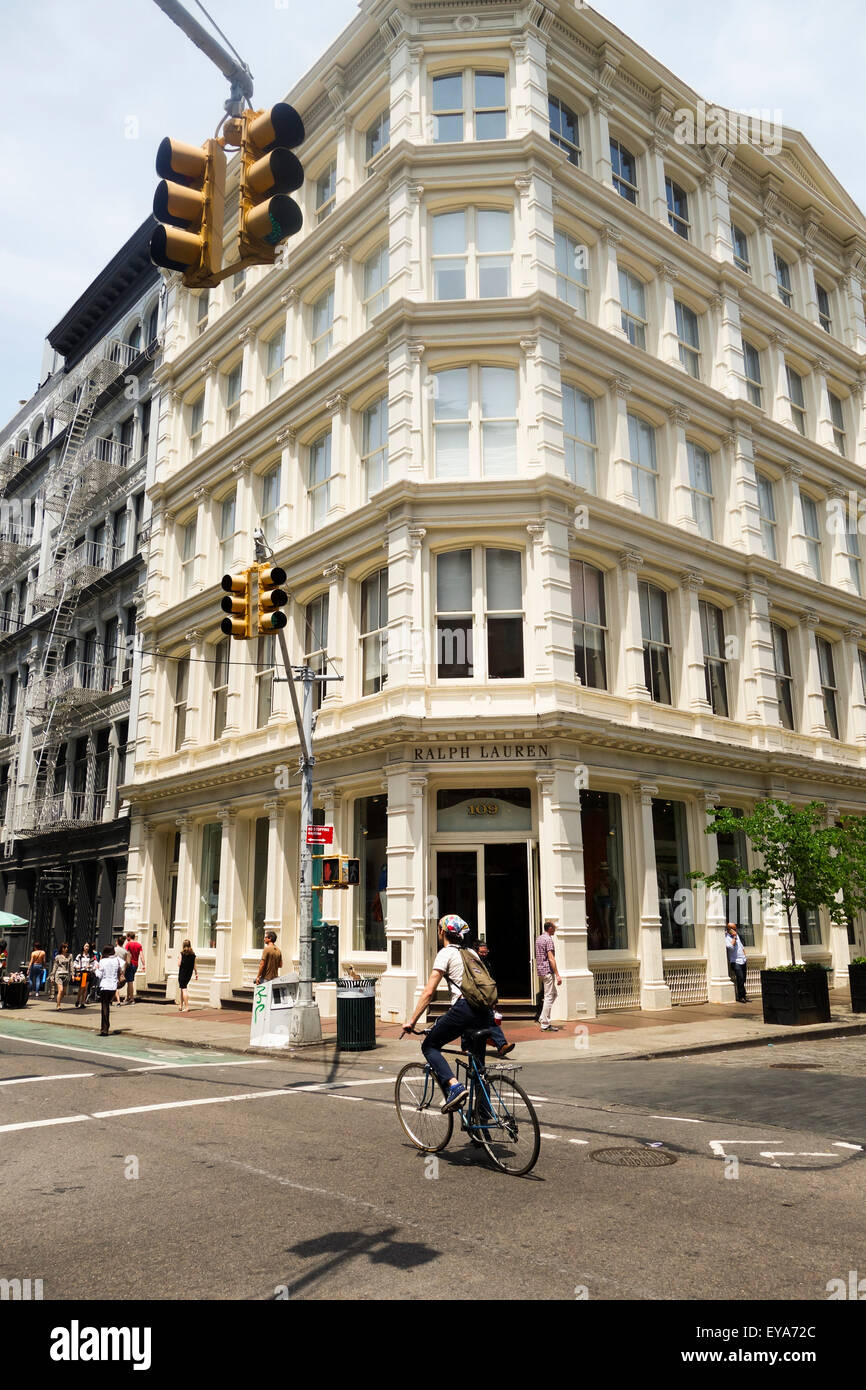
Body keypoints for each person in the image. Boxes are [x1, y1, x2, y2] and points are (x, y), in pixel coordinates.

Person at [401, 914, 495, 1114]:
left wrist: (412, 1021)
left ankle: (454, 1086)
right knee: (478, 1067)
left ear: (442, 932)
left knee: (430, 1045)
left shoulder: (446, 953)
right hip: (484, 1012)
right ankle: (483, 1123)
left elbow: (428, 992)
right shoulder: (471, 952)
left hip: (464, 1010)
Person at [474, 941, 514, 1058]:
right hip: (475, 997)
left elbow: (491, 982)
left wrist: (493, 999)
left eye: (486, 952)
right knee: (469, 1023)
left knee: (490, 1020)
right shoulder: (472, 964)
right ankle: (467, 1047)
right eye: (482, 952)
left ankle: (502, 1045)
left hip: (486, 998)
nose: (484, 954)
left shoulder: (487, 963)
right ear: (476, 952)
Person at [536, 919, 562, 1031]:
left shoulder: (539, 938)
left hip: (541, 970)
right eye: (554, 927)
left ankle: (543, 1017)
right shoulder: (548, 940)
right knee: (549, 996)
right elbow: (551, 958)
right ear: (550, 928)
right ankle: (545, 1023)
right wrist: (557, 974)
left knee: (553, 994)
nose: (555, 929)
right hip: (547, 971)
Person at [95, 944, 125, 1035]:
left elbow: (99, 975)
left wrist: (96, 969)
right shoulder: (117, 960)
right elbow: (124, 964)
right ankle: (106, 1027)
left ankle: (104, 1029)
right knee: (107, 1005)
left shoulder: (103, 961)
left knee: (104, 1007)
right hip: (113, 986)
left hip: (105, 986)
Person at [725, 922, 748, 1003]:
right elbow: (730, 947)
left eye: (736, 928)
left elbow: (741, 947)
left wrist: (745, 956)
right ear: (729, 930)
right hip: (735, 961)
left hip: (743, 960)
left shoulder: (737, 936)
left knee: (743, 979)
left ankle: (744, 995)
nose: (736, 930)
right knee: (740, 978)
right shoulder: (726, 937)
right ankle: (741, 996)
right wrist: (734, 937)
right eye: (734, 929)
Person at [73, 942, 97, 1009]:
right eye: (85, 946)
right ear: (83, 947)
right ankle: (78, 1000)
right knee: (82, 988)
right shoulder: (79, 956)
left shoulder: (91, 956)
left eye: (88, 946)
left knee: (85, 988)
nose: (86, 948)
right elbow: (75, 963)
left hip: (88, 973)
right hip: (82, 972)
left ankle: (82, 1002)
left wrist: (90, 967)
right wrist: (78, 966)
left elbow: (94, 964)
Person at [51, 942, 73, 1010]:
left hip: (66, 975)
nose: (66, 949)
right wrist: (52, 976)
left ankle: (58, 999)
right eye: (64, 947)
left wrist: (72, 974)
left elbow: (71, 965)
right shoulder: (57, 957)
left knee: (64, 993)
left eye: (67, 947)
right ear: (61, 948)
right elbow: (55, 966)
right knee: (60, 990)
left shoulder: (70, 956)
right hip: (59, 974)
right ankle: (58, 1005)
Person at [177, 939, 197, 1013]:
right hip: (189, 974)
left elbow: (178, 964)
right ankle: (181, 1005)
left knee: (184, 989)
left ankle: (187, 1006)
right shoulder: (193, 954)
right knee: (182, 988)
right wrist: (196, 973)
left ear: (183, 945)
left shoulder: (181, 954)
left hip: (182, 973)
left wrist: (179, 959)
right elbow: (194, 965)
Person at [124, 933, 145, 1004]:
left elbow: (126, 954)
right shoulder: (139, 945)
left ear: (129, 937)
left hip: (129, 964)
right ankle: (127, 997)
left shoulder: (128, 944)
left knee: (130, 982)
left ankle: (132, 998)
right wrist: (144, 964)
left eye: (127, 937)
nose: (126, 938)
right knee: (129, 980)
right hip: (135, 964)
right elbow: (141, 955)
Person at [113, 936, 131, 1005]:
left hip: (114, 968)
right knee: (116, 985)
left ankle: (118, 1001)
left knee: (115, 985)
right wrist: (124, 970)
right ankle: (112, 1000)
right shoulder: (125, 951)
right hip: (122, 969)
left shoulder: (114, 949)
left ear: (117, 942)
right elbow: (128, 962)